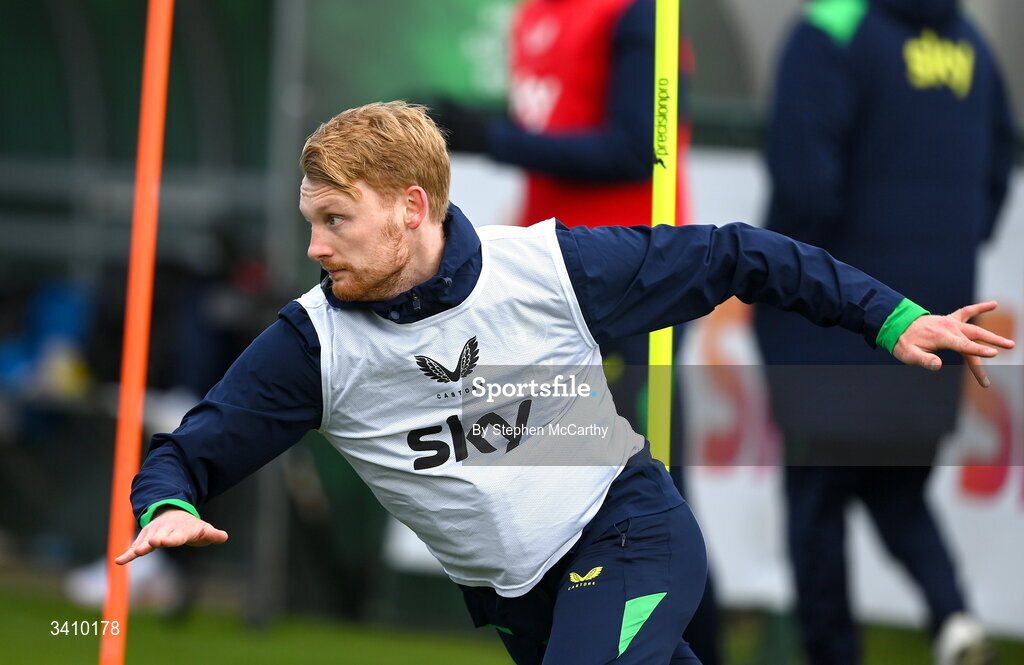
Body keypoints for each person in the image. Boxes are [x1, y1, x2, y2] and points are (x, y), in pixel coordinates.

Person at [116, 101, 1013, 665]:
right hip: (516, 603)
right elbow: (188, 453)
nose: (314, 247)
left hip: (627, 535)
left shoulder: (550, 268)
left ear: (410, 208)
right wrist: (162, 505)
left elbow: (743, 253)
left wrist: (892, 317)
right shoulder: (311, 344)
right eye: (310, 221)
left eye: (335, 220)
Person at [753, 1, 1016, 664]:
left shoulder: (831, 30)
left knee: (816, 510)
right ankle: (953, 616)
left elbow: (803, 185)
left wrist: (780, 277)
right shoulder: (968, 41)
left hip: (838, 315)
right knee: (897, 489)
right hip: (940, 314)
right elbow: (995, 170)